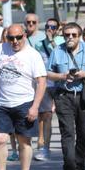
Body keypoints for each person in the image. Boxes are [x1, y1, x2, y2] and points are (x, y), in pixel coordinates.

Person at [46, 22, 85, 170]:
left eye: (74, 35)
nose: (70, 38)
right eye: (67, 35)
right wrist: (63, 76)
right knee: (67, 133)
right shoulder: (57, 51)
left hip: (84, 95)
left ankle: (79, 168)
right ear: (63, 36)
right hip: (63, 95)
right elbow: (47, 73)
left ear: (79, 36)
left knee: (84, 135)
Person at [0, 24, 47, 170]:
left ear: (24, 36)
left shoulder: (33, 55)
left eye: (18, 38)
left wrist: (35, 107)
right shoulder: (1, 49)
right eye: (11, 38)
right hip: (2, 102)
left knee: (24, 141)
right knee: (0, 139)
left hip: (24, 103)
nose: (14, 41)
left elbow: (42, 82)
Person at [34, 18, 63, 161]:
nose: (49, 29)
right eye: (47, 26)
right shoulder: (38, 44)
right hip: (45, 84)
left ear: (57, 29)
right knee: (46, 116)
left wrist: (52, 41)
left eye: (53, 26)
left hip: (59, 83)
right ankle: (46, 147)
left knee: (64, 116)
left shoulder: (61, 42)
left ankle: (67, 145)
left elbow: (60, 56)